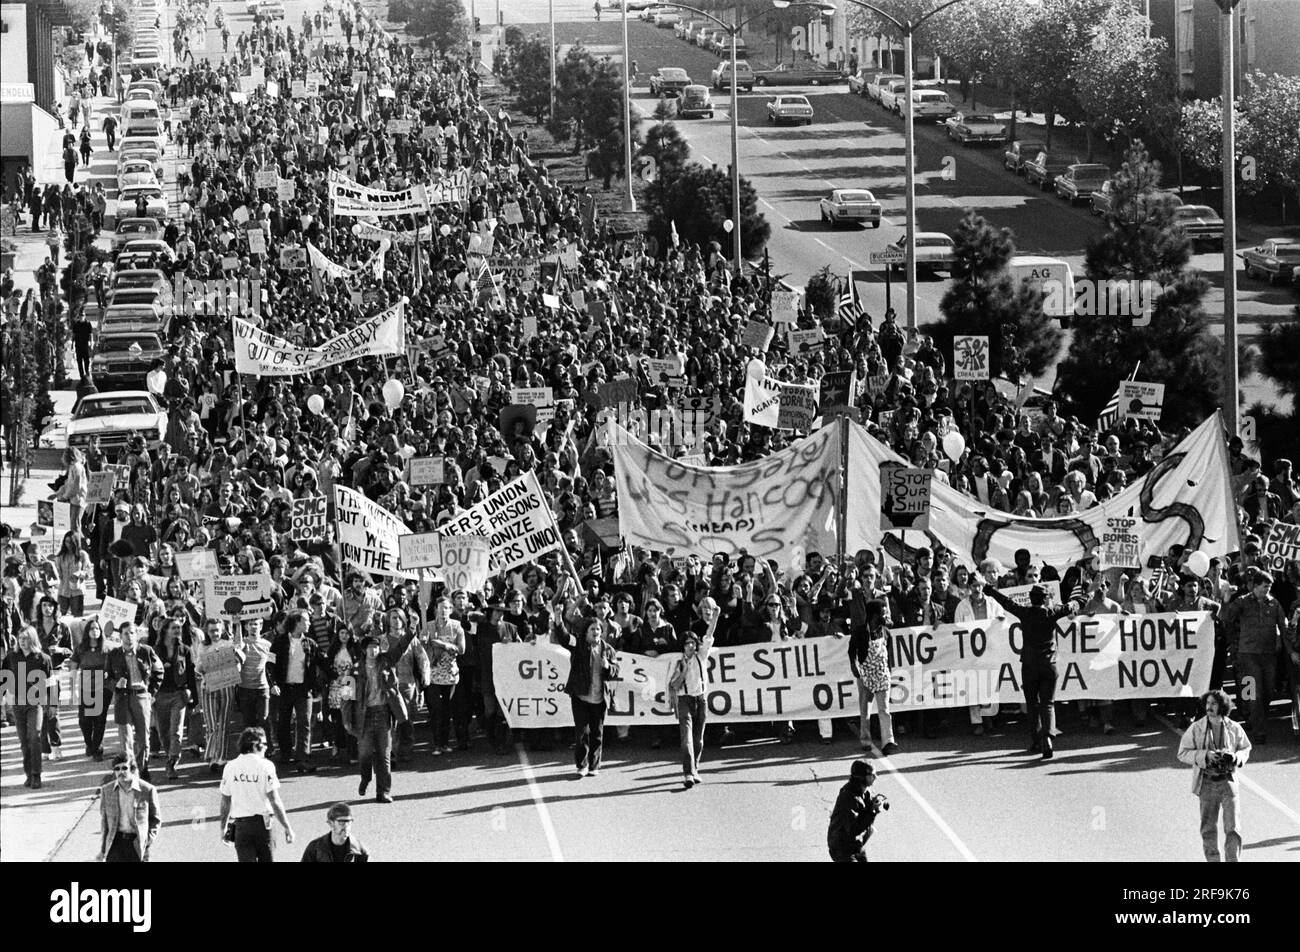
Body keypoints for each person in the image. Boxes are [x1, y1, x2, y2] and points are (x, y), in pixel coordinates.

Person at [985, 581, 1080, 759]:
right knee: (1048, 703)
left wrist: (990, 590)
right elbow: (1072, 605)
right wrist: (1084, 598)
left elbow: (1006, 602)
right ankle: (1048, 737)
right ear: (1045, 600)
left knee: (1032, 704)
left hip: (1029, 665)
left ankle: (1036, 740)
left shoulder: (1025, 612)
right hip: (1049, 664)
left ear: (1030, 598)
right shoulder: (1052, 612)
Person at [345, 623, 419, 804]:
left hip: (384, 713)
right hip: (364, 716)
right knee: (364, 755)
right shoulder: (353, 670)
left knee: (384, 755)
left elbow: (401, 647)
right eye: (370, 648)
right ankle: (365, 777)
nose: (373, 651)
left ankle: (383, 792)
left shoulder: (386, 661)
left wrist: (412, 629)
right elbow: (346, 698)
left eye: (376, 647)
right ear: (364, 650)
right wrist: (347, 720)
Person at [1220, 568, 1296, 744]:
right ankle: (1258, 729)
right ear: (1254, 586)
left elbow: (1284, 630)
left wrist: (1291, 651)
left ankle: (1254, 717)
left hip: (1268, 656)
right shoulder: (1242, 602)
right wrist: (1225, 600)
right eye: (1263, 587)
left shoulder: (1274, 604)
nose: (1266, 591)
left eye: (1269, 588)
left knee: (1268, 691)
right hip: (1247, 656)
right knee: (1254, 693)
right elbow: (1226, 617)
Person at [1176, 689, 1252, 862]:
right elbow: (1182, 753)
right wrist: (1205, 756)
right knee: (1208, 829)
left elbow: (1245, 748)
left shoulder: (1233, 727)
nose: (1209, 707)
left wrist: (1235, 758)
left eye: (1214, 704)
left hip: (1228, 782)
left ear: (1222, 706)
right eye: (1207, 703)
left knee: (1233, 828)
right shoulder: (1197, 728)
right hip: (1207, 783)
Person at [218, 727, 295, 862]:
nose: (266, 747)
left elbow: (225, 801)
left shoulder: (230, 767)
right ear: (254, 745)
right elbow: (274, 800)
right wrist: (287, 827)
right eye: (264, 744)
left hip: (242, 827)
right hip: (264, 827)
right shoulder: (266, 766)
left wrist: (223, 827)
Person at [105, 621, 164, 779]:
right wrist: (114, 684)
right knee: (126, 737)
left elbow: (159, 671)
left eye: (132, 633)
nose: (129, 636)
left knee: (143, 737)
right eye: (125, 633)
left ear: (136, 635)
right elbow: (106, 678)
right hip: (122, 698)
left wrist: (151, 692)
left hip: (141, 696)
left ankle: (142, 767)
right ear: (120, 636)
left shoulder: (146, 651)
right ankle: (130, 769)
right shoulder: (113, 654)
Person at [564, 616, 620, 777]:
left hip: (600, 698)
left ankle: (594, 766)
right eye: (592, 629)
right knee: (581, 733)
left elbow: (617, 670)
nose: (595, 632)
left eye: (598, 629)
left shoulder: (608, 649)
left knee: (597, 733)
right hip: (580, 697)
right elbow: (563, 637)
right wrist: (559, 620)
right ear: (586, 632)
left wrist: (608, 666)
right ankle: (581, 765)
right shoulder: (579, 645)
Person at [2, 627, 52, 787]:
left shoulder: (43, 659)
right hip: (17, 703)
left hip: (35, 703)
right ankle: (29, 773)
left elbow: (51, 684)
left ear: (33, 639)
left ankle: (36, 774)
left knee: (34, 736)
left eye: (26, 638)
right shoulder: (11, 657)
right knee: (24, 741)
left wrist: (52, 705)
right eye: (20, 638)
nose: (23, 641)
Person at [270, 608, 319, 772]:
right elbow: (270, 665)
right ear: (297, 623)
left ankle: (303, 757)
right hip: (285, 688)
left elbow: (322, 661)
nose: (309, 623)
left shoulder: (310, 643)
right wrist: (273, 683)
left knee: (304, 722)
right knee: (283, 722)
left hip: (303, 689)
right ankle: (285, 753)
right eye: (306, 620)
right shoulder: (280, 641)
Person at [666, 623, 715, 788]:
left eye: (693, 643)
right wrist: (684, 671)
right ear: (683, 646)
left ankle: (695, 769)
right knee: (686, 738)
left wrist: (715, 615)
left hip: (700, 700)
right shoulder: (678, 662)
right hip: (684, 700)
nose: (691, 646)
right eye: (687, 643)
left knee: (698, 739)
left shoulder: (701, 656)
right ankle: (688, 773)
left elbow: (709, 634)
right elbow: (674, 685)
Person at [848, 599, 897, 755]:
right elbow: (851, 650)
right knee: (865, 709)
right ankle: (865, 739)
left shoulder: (887, 633)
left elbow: (889, 654)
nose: (886, 614)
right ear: (874, 615)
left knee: (884, 710)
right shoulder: (860, 632)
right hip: (865, 674)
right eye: (883, 612)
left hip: (882, 674)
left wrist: (889, 673)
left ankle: (888, 741)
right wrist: (853, 666)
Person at [196, 618, 243, 772]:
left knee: (223, 724)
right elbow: (198, 668)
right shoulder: (203, 646)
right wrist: (208, 662)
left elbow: (240, 654)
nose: (215, 633)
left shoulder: (227, 644)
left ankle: (220, 758)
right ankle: (212, 755)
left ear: (222, 629)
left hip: (226, 686)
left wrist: (237, 625)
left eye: (217, 630)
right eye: (211, 631)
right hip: (209, 686)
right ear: (207, 631)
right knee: (211, 724)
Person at [97, 753, 161, 861]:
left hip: (136, 843)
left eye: (124, 768)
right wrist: (103, 850)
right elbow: (105, 824)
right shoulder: (106, 790)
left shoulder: (147, 790)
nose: (120, 772)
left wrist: (147, 840)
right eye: (117, 769)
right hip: (115, 843)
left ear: (132, 769)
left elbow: (155, 820)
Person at [826, 759, 887, 862]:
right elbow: (854, 829)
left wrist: (875, 804)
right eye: (872, 775)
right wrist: (872, 811)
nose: (875, 777)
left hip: (855, 844)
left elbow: (867, 807)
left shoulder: (864, 791)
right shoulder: (848, 798)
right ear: (861, 777)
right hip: (841, 848)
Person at [301, 802, 370, 862]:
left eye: (349, 822)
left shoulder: (360, 850)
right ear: (331, 823)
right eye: (341, 822)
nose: (346, 826)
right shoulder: (315, 847)